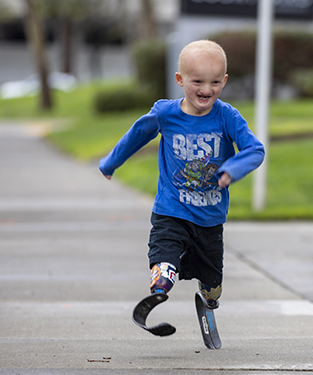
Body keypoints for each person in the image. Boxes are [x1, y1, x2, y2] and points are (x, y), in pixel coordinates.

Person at [99, 40, 265, 309]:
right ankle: (162, 276)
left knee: (212, 283)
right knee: (165, 247)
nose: (206, 90)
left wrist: (232, 169)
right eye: (197, 81)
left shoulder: (227, 117)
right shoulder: (166, 114)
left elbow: (255, 150)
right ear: (180, 79)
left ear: (224, 80)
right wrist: (110, 163)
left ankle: (210, 294)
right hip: (172, 207)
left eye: (215, 83)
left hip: (210, 217)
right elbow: (137, 135)